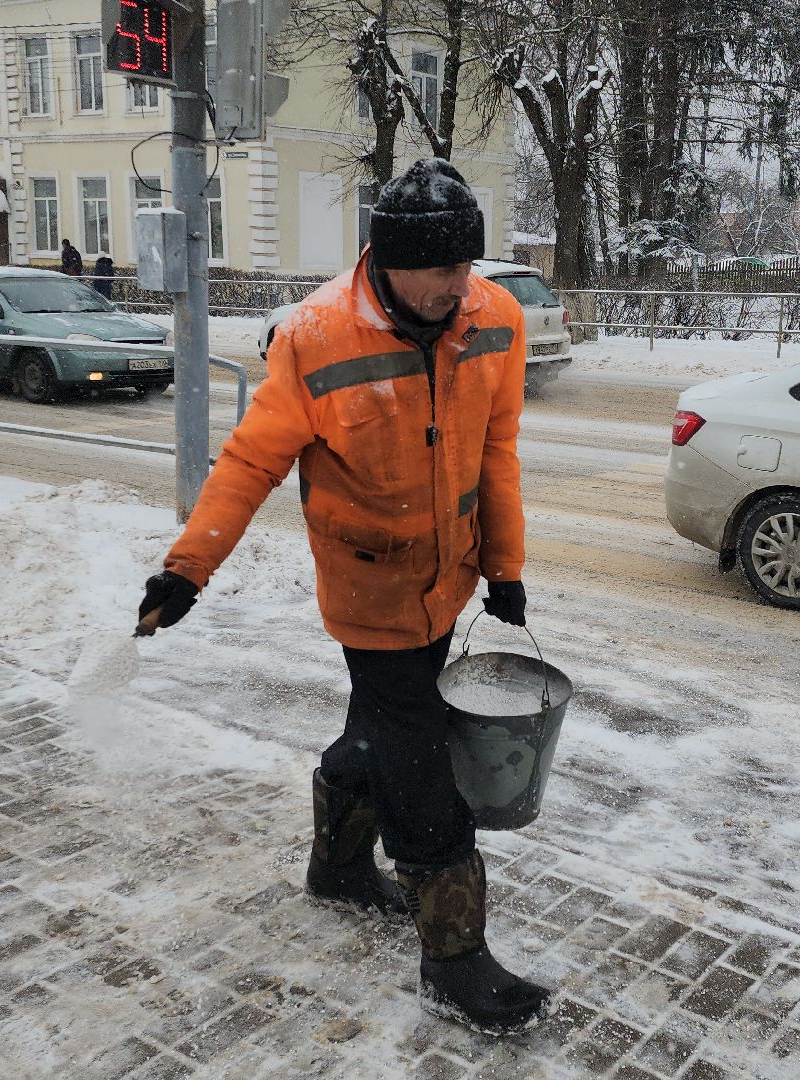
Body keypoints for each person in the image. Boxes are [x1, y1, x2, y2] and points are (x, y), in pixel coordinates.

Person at [136, 158, 548, 1035]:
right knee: (421, 764)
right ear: (387, 259)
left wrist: (504, 567)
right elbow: (250, 462)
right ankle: (454, 958)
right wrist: (187, 568)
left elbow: (496, 453)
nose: (456, 285)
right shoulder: (318, 336)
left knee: (377, 728)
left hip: (449, 580)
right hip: (369, 588)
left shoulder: (495, 321)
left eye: (465, 265)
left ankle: (336, 868)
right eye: (438, 268)